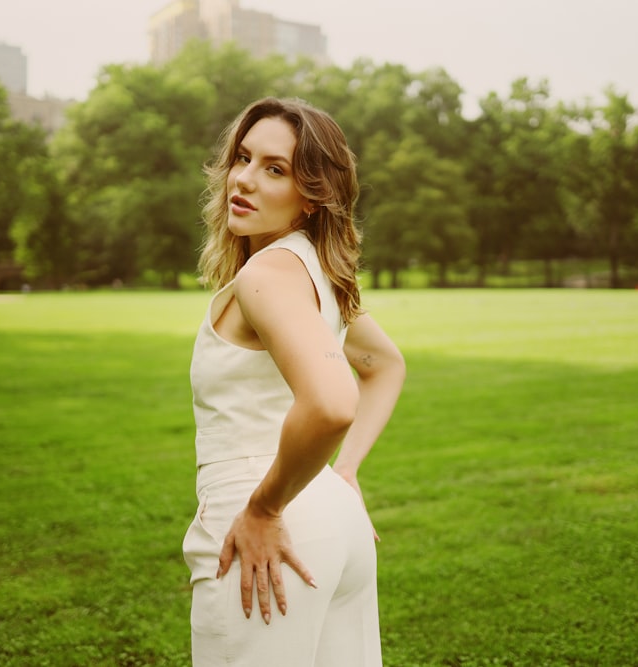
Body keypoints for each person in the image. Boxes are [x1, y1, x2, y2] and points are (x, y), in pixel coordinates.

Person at [182, 97, 406, 667]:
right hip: (333, 521)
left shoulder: (270, 274)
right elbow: (384, 365)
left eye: (275, 169)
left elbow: (334, 402)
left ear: (311, 197)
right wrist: (344, 473)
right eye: (243, 158)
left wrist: (263, 509)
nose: (245, 179)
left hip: (266, 526)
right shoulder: (314, 271)